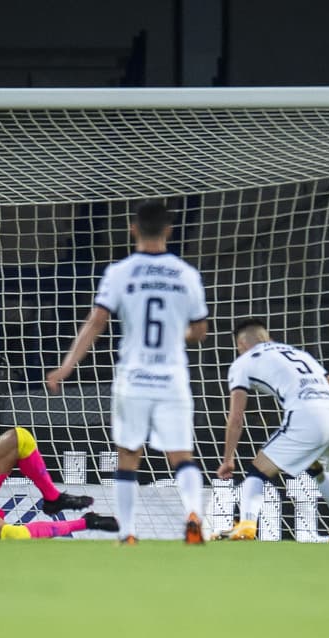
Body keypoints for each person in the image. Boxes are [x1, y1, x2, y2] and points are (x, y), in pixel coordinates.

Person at [45, 200, 209, 544]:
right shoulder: (186, 275)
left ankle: (129, 532)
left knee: (128, 455)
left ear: (133, 228)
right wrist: (177, 332)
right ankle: (193, 517)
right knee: (181, 454)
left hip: (134, 377)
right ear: (169, 230)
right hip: (172, 378)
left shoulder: (120, 273)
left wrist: (66, 367)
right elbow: (199, 331)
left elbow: (95, 323)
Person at [215, 317, 329, 542]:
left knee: (258, 471)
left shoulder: (242, 363)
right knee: (320, 470)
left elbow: (236, 417)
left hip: (307, 417)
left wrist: (228, 459)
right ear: (268, 338)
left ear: (242, 346)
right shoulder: (299, 354)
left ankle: (246, 525)